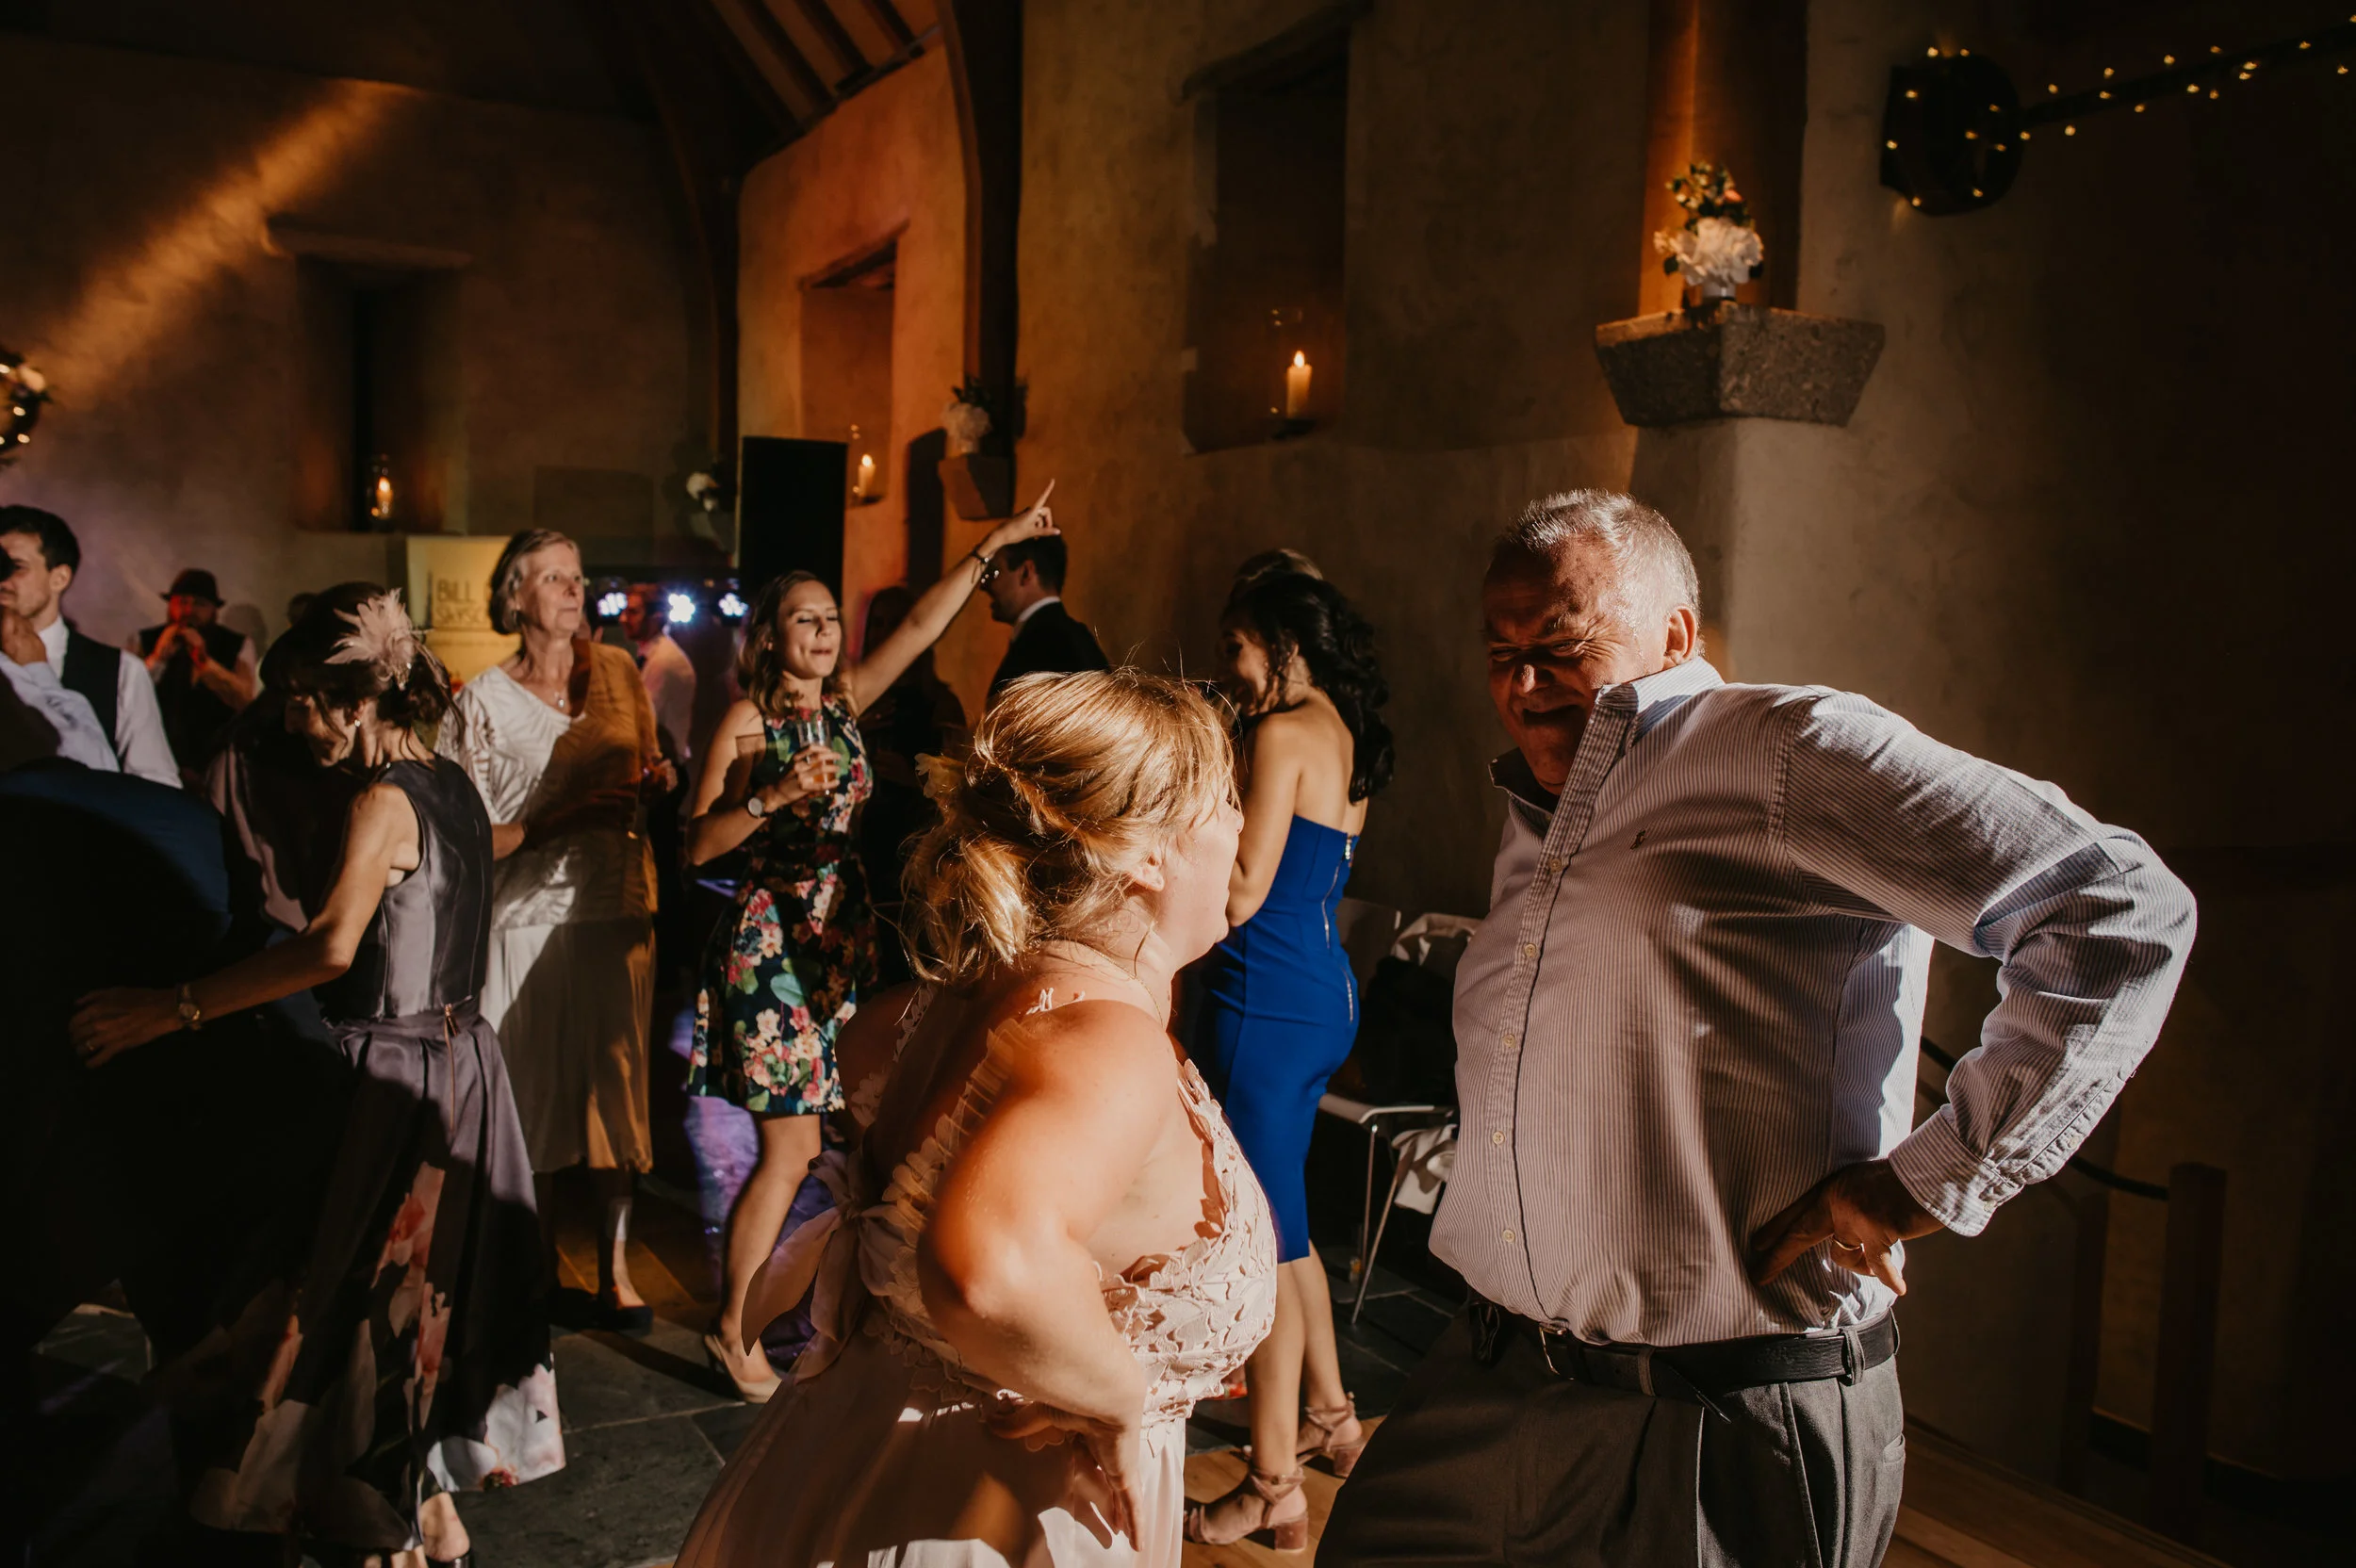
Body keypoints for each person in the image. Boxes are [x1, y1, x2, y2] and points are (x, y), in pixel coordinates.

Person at [1317, 491, 2197, 1568]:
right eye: (1499, 652)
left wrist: (1930, 1173)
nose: (1522, 683)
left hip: (1711, 1416)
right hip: (1490, 1377)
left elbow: (2115, 903)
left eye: (1558, 643)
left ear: (1677, 633)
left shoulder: (1788, 750)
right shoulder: (1542, 811)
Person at [673, 669, 1276, 1568]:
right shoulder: (1103, 1041)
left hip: (843, 1456)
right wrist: (1114, 1394)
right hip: (985, 1515)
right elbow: (985, 1271)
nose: (1241, 821)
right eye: (1225, 797)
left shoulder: (939, 1004)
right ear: (1144, 856)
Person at [69, 584, 563, 1567]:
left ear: (355, 701)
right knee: (401, 1296)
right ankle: (420, 1515)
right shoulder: (456, 785)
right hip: (465, 1067)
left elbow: (333, 948)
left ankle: (362, 1511)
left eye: (303, 698)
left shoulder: (382, 797)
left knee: (340, 1296)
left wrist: (175, 1006)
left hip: (391, 1074)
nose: (293, 718)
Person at [681, 492, 1059, 1402]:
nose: (821, 630)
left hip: (839, 939)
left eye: (827, 617)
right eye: (802, 619)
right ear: (769, 637)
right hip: (771, 945)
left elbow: (926, 622)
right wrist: (769, 800)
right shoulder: (746, 725)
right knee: (789, 1150)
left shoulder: (847, 703)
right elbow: (697, 843)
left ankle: (839, 1306)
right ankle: (731, 1331)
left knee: (854, 1135)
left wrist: (995, 545)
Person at [1185, 571, 1394, 1547]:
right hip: (1316, 991)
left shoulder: (1277, 733)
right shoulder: (1336, 725)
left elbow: (1238, 892)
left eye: (1236, 644)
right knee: (1292, 1226)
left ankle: (1272, 1481)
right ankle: (1333, 1417)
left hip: (1261, 997)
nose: (1228, 664)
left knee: (1258, 1240)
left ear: (1280, 640)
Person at [437, 530, 670, 1331]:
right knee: (527, 1102)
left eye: (578, 576)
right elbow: (461, 836)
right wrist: (559, 820)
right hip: (521, 922)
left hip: (612, 911)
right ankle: (531, 1265)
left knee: (616, 1101)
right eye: (555, 578)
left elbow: (647, 764)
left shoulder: (618, 672)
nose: (574, 590)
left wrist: (658, 779)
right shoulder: (481, 704)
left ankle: (614, 1270)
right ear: (515, 597)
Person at [0, 505, 180, 784]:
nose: (2, 580)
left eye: (15, 567)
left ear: (59, 577)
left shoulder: (121, 671)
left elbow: (156, 787)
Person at [853, 583, 970, 981]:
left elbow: (958, 795)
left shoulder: (939, 703)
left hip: (908, 856)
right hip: (856, 849)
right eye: (877, 624)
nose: (885, 634)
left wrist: (912, 778)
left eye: (895, 623)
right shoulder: (853, 702)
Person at [138, 567, 258, 787]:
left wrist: (205, 662)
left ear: (214, 610)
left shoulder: (238, 644)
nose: (189, 610)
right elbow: (126, 696)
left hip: (213, 767)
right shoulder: (143, 639)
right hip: (154, 763)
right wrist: (157, 658)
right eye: (182, 602)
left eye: (199, 604)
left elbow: (245, 702)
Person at [985, 496, 1110, 703]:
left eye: (993, 572)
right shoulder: (1061, 635)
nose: (984, 585)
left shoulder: (1053, 643)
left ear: (1026, 572)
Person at [622, 582, 699, 769]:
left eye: (633, 612)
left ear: (655, 616)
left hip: (665, 768)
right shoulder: (653, 654)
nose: (623, 618)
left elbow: (643, 719)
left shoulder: (664, 661)